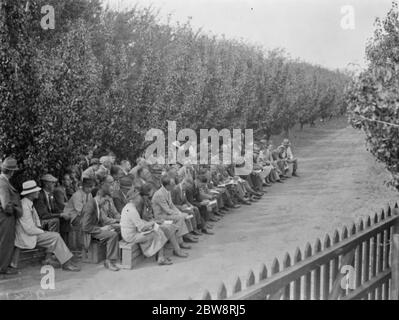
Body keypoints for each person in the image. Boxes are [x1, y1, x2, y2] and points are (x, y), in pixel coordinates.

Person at [14, 180, 80, 272]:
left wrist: (41, 229)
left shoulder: (28, 203)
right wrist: (43, 232)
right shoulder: (25, 206)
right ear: (30, 193)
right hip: (26, 236)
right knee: (55, 236)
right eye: (36, 191)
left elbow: (36, 221)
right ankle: (66, 263)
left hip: (31, 233)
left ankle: (53, 259)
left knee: (53, 235)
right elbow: (29, 229)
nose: (38, 192)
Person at [121, 192, 176, 266]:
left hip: (129, 233)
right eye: (137, 197)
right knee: (158, 232)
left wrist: (150, 224)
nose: (139, 199)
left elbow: (138, 222)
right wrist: (152, 223)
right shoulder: (132, 210)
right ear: (132, 200)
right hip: (131, 236)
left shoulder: (128, 207)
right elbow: (142, 228)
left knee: (156, 230)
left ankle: (160, 256)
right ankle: (161, 258)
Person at [81, 175, 120, 271]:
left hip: (95, 229)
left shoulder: (97, 204)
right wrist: (101, 229)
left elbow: (102, 220)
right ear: (99, 197)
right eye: (104, 200)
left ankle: (114, 255)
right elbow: (85, 227)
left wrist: (112, 225)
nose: (106, 202)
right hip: (88, 233)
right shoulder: (90, 206)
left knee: (117, 229)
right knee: (113, 235)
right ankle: (109, 261)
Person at [152, 176, 198, 244]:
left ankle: (186, 235)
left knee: (184, 215)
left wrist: (179, 212)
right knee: (180, 218)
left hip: (166, 214)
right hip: (161, 216)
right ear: (167, 185)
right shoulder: (159, 194)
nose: (174, 185)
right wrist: (179, 214)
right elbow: (167, 209)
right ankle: (180, 241)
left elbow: (171, 205)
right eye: (172, 184)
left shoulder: (167, 191)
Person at [0, 157, 22, 275]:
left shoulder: (4, 181)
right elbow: (5, 205)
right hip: (5, 217)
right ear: (11, 171)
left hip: (5, 217)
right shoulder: (3, 182)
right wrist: (14, 208)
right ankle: (2, 268)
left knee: (5, 241)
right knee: (5, 241)